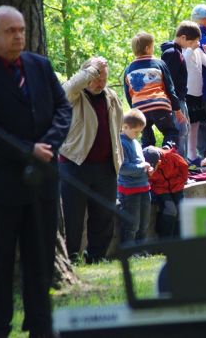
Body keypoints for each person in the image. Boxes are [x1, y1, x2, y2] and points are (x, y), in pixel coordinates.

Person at [0, 5, 72, 337]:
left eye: (22, 30)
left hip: (41, 185)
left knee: (40, 263)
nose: (18, 36)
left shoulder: (39, 66)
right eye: (10, 31)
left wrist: (49, 144)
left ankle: (41, 326)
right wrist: (27, 150)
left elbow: (63, 108)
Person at [59, 56, 124, 264]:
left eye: (103, 78)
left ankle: (97, 256)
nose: (100, 83)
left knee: (104, 215)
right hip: (74, 164)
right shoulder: (74, 95)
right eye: (96, 78)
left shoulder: (111, 96)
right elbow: (68, 88)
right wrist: (92, 70)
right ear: (86, 76)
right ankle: (71, 257)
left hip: (106, 166)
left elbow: (118, 126)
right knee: (73, 216)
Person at [124, 31, 185, 148]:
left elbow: (128, 94)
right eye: (152, 46)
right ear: (147, 48)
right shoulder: (159, 64)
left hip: (140, 108)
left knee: (146, 138)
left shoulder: (128, 69)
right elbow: (170, 88)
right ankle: (167, 149)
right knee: (170, 132)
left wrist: (134, 111)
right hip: (159, 105)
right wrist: (177, 110)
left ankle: (148, 153)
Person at [118, 109, 153, 245]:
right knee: (131, 224)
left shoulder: (136, 143)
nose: (138, 135)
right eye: (136, 132)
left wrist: (148, 170)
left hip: (144, 187)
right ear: (125, 127)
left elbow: (140, 163)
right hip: (129, 190)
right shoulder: (121, 143)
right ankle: (128, 249)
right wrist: (142, 167)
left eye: (140, 132)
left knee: (144, 223)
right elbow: (123, 168)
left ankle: (141, 249)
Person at [180, 21, 206, 166]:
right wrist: (190, 49)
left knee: (196, 125)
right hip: (188, 94)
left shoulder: (198, 50)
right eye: (194, 41)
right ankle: (185, 154)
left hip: (198, 93)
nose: (196, 43)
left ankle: (193, 155)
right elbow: (184, 62)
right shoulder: (183, 52)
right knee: (187, 126)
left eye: (197, 41)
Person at [160, 22, 193, 159]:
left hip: (180, 98)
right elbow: (169, 82)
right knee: (180, 131)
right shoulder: (172, 53)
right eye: (191, 42)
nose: (191, 46)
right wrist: (176, 106)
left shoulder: (177, 52)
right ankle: (178, 162)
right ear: (183, 37)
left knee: (184, 130)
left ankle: (182, 161)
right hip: (175, 100)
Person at [143, 145, 189, 238]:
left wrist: (182, 180)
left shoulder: (171, 156)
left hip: (176, 185)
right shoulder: (144, 162)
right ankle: (164, 239)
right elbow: (146, 179)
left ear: (159, 162)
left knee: (181, 209)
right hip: (160, 189)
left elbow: (184, 166)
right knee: (170, 210)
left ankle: (178, 239)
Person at [191, 4, 206, 158]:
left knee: (204, 120)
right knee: (204, 121)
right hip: (203, 87)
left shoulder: (202, 39)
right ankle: (205, 152)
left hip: (203, 87)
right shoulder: (202, 41)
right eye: (204, 20)